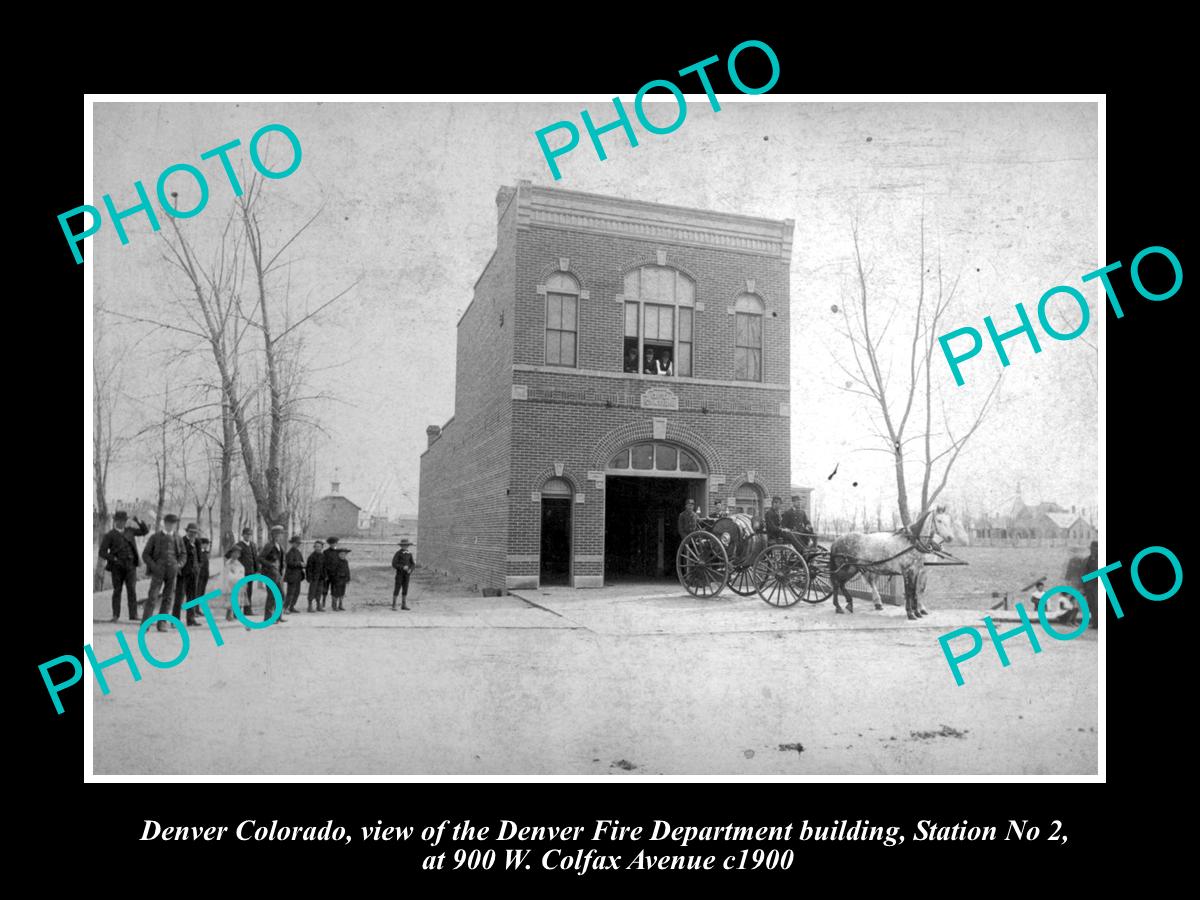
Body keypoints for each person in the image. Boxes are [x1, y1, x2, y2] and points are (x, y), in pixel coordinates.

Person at [98, 511, 148, 623]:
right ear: (115, 521)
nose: (122, 523)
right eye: (119, 520)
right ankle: (116, 615)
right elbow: (102, 552)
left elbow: (145, 531)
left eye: (124, 521)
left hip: (130, 566)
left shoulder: (130, 531)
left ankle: (133, 614)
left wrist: (138, 520)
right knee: (117, 590)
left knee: (132, 590)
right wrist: (113, 559)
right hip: (117, 567)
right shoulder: (110, 535)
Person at [142, 514, 185, 632]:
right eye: (169, 523)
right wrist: (154, 566)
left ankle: (162, 623)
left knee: (168, 598)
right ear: (164, 523)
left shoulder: (178, 538)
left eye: (173, 523)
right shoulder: (155, 537)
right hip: (158, 571)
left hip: (172, 571)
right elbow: (145, 554)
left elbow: (183, 554)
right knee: (152, 596)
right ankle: (146, 623)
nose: (171, 526)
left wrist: (179, 565)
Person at [171, 522, 201, 627]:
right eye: (191, 532)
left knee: (192, 597)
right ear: (187, 531)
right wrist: (178, 568)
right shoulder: (182, 541)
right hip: (183, 573)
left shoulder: (197, 542)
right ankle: (175, 621)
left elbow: (200, 558)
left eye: (195, 532)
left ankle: (191, 619)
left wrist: (197, 569)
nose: (193, 534)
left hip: (194, 574)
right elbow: (176, 556)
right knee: (179, 597)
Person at [258, 524, 288, 623]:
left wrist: (282, 569)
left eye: (281, 534)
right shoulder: (269, 545)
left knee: (281, 595)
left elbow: (282, 560)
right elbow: (260, 558)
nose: (280, 536)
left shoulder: (280, 546)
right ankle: (268, 618)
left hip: (278, 575)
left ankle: (278, 616)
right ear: (274, 535)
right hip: (270, 575)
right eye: (279, 534)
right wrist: (270, 565)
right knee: (272, 595)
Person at [235, 528, 259, 615]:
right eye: (246, 534)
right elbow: (233, 558)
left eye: (249, 534)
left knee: (249, 591)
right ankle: (237, 611)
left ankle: (247, 610)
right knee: (240, 592)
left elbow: (255, 558)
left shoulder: (253, 545)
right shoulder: (239, 545)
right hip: (241, 574)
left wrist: (257, 570)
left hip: (251, 572)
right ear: (242, 535)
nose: (248, 536)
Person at [221, 545, 246, 623]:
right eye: (235, 553)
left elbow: (241, 571)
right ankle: (229, 614)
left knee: (238, 598)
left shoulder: (238, 563)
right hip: (231, 583)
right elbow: (227, 574)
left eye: (238, 553)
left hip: (238, 583)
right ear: (232, 553)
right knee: (231, 599)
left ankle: (236, 613)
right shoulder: (229, 563)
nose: (237, 555)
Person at [284, 535, 306, 613]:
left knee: (297, 592)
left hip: (298, 576)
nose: (297, 545)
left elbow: (302, 561)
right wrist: (300, 564)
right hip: (291, 576)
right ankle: (285, 608)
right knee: (290, 593)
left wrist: (303, 564)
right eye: (296, 543)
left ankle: (292, 607)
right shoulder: (289, 553)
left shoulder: (298, 552)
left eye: (298, 543)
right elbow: (289, 563)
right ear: (292, 543)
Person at [391, 539, 415, 610]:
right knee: (397, 588)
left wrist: (410, 569)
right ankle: (394, 605)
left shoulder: (409, 554)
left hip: (407, 575)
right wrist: (402, 567)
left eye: (406, 545)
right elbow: (394, 564)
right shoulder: (398, 553)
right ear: (401, 546)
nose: (405, 546)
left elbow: (413, 564)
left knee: (405, 588)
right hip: (399, 574)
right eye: (403, 545)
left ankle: (403, 605)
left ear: (408, 546)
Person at [329, 547, 352, 611]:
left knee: (342, 593)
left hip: (343, 580)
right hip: (336, 580)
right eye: (341, 554)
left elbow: (347, 570)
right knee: (335, 593)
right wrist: (335, 578)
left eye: (344, 554)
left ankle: (340, 605)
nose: (342, 555)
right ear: (338, 554)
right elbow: (332, 571)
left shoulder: (345, 561)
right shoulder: (335, 561)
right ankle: (334, 605)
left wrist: (348, 578)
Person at [306, 539, 326, 612]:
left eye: (319, 546)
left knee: (319, 591)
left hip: (321, 577)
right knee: (312, 591)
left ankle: (318, 605)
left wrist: (325, 575)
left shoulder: (323, 556)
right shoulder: (311, 557)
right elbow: (308, 568)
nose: (318, 548)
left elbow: (324, 567)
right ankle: (310, 606)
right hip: (314, 577)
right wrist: (309, 577)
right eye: (316, 546)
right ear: (314, 547)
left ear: (322, 547)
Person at [322, 537, 342, 609]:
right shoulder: (325, 552)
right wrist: (325, 574)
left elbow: (341, 563)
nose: (333, 545)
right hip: (327, 573)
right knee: (325, 589)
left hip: (335, 574)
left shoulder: (339, 552)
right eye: (332, 543)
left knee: (335, 589)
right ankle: (323, 603)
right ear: (329, 544)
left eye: (335, 543)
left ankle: (334, 604)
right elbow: (324, 564)